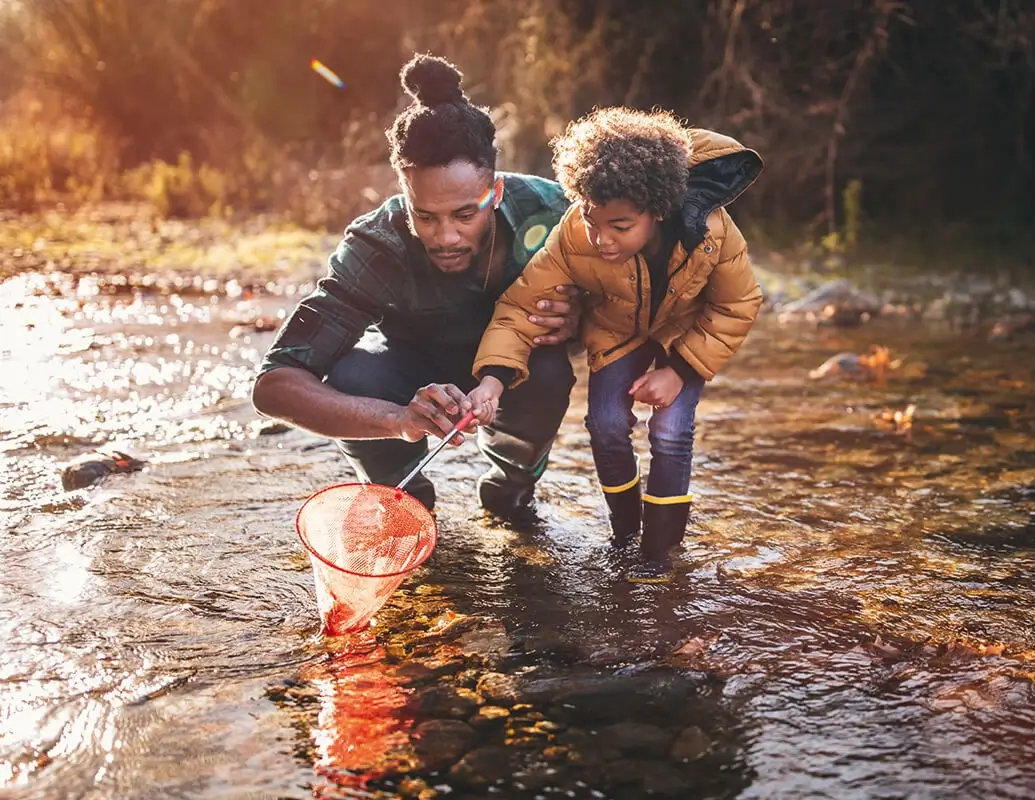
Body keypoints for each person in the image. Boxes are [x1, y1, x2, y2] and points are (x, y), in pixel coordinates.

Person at [251, 53, 581, 520]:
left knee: (550, 370)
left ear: (497, 192)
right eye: (424, 216)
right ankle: (405, 500)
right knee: (353, 375)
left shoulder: (554, 213)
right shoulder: (376, 243)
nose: (446, 237)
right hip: (406, 372)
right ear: (404, 192)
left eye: (466, 214)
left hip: (518, 373)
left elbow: (641, 296)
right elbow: (274, 386)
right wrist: (397, 421)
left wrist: (581, 317)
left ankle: (512, 486)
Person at [466, 107, 764, 583]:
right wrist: (492, 380)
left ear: (658, 210)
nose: (602, 239)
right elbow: (521, 306)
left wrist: (681, 371)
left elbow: (738, 304)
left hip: (682, 337)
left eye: (620, 227)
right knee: (604, 424)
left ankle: (659, 553)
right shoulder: (573, 236)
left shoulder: (712, 232)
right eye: (592, 221)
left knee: (670, 431)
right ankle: (625, 537)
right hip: (615, 332)